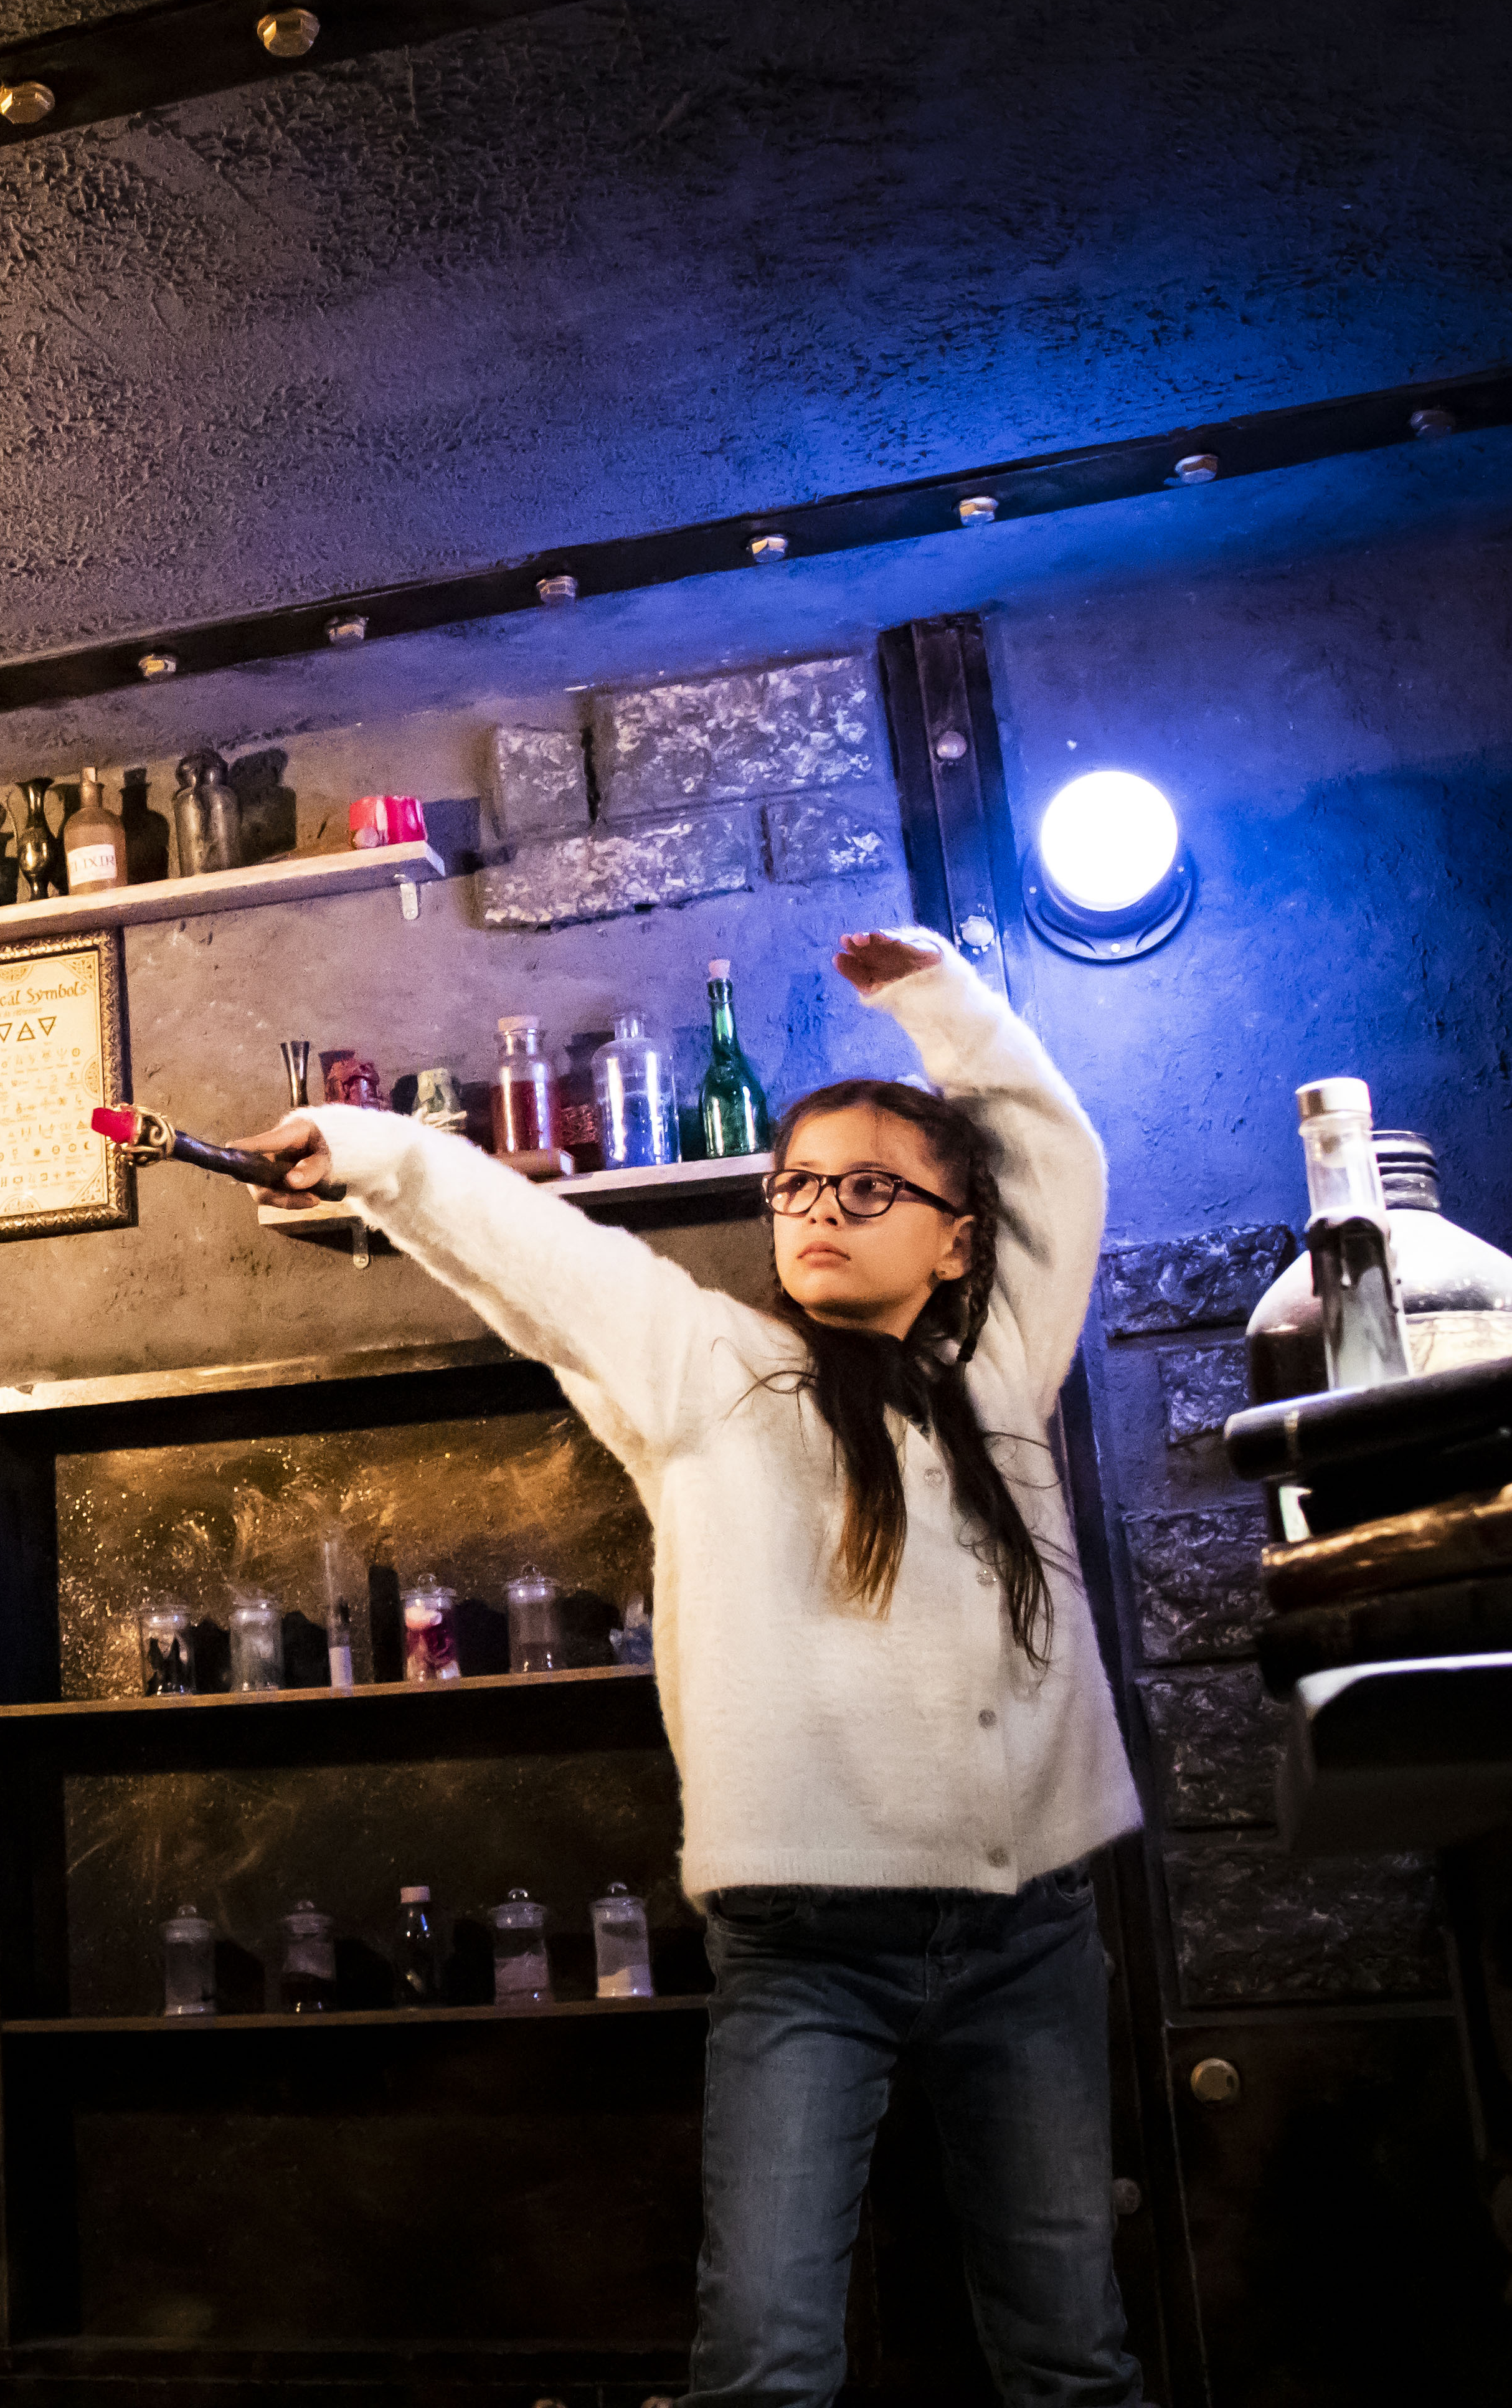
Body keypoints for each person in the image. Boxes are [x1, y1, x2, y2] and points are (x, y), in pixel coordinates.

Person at [244, 927, 1147, 2408]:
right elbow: (543, 1255)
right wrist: (369, 1151)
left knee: (1073, 2357)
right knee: (767, 2366)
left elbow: (1057, 1159)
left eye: (871, 1188)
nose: (822, 1209)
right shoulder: (712, 1373)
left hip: (1029, 1926)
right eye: (798, 1183)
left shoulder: (998, 1378)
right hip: (807, 1942)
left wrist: (941, 999)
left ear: (957, 1237)